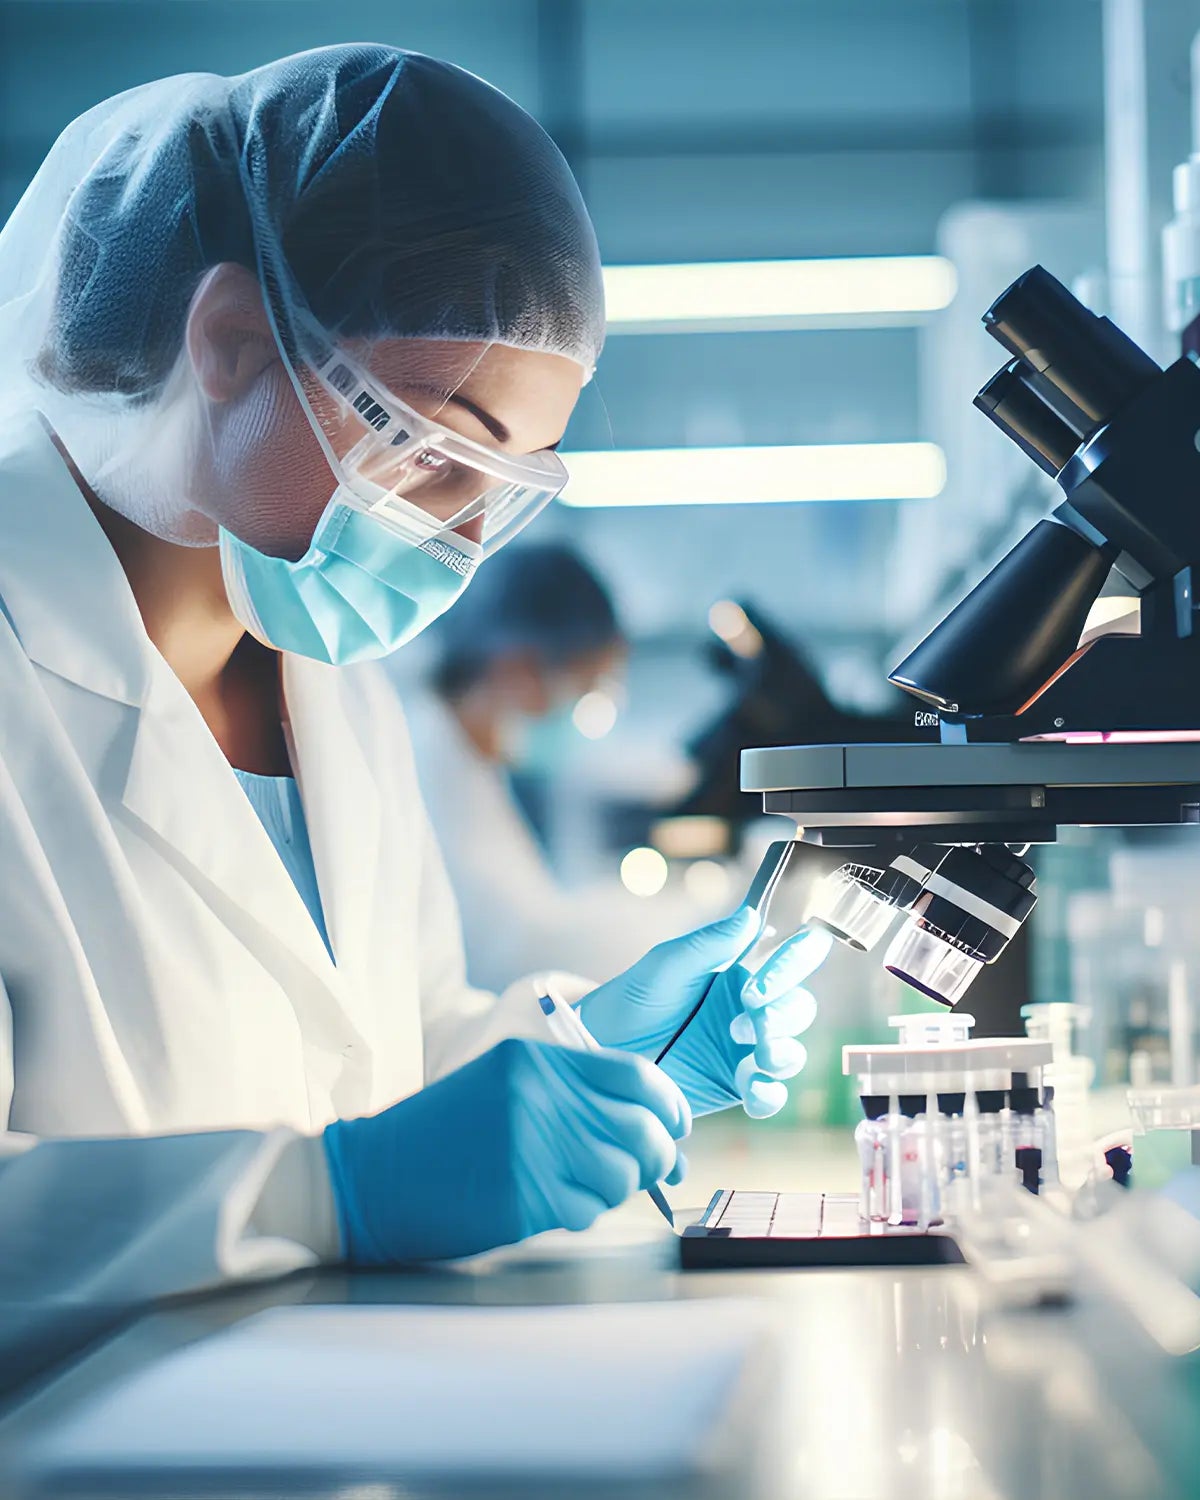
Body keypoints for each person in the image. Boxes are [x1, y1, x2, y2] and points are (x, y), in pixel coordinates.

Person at [0, 46, 830, 1300]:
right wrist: (333, 1196)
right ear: (229, 341)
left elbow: (382, 1069)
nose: (457, 540)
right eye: (434, 447)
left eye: (505, 490)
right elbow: (343, 1168)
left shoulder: (337, 688)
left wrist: (594, 1048)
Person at [404, 540, 695, 991]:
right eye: (587, 687)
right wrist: (699, 917)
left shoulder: (470, 765)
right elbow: (517, 953)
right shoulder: (419, 770)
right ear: (517, 669)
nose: (587, 712)